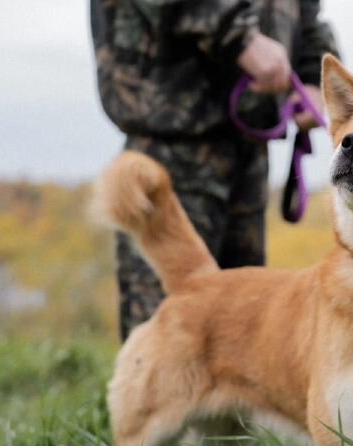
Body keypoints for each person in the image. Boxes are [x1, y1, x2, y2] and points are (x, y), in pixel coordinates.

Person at [90, 0, 339, 340]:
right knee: (165, 335)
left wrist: (313, 78)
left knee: (241, 334)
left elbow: (308, 13)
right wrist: (240, 36)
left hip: (249, 142)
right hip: (170, 138)